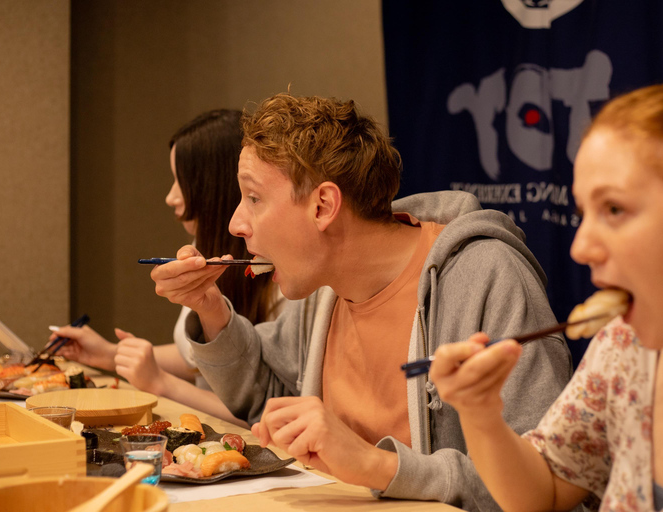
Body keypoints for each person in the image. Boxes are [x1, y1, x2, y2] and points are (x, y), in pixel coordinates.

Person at [149, 93, 573, 509]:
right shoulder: (324, 286)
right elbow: (268, 395)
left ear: (324, 206)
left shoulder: (487, 276)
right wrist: (209, 304)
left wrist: (378, 465)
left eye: (254, 198)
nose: (235, 223)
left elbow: (547, 482)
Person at [430, 81, 663, 511]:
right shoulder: (624, 348)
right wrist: (479, 413)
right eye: (585, 212)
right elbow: (543, 492)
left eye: (615, 209)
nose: (580, 248)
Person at [53, 109, 283, 427]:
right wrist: (110, 354)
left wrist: (160, 382)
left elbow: (264, 409)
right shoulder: (205, 259)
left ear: (214, 186)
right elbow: (195, 359)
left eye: (181, 181)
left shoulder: (285, 279)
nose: (170, 197)